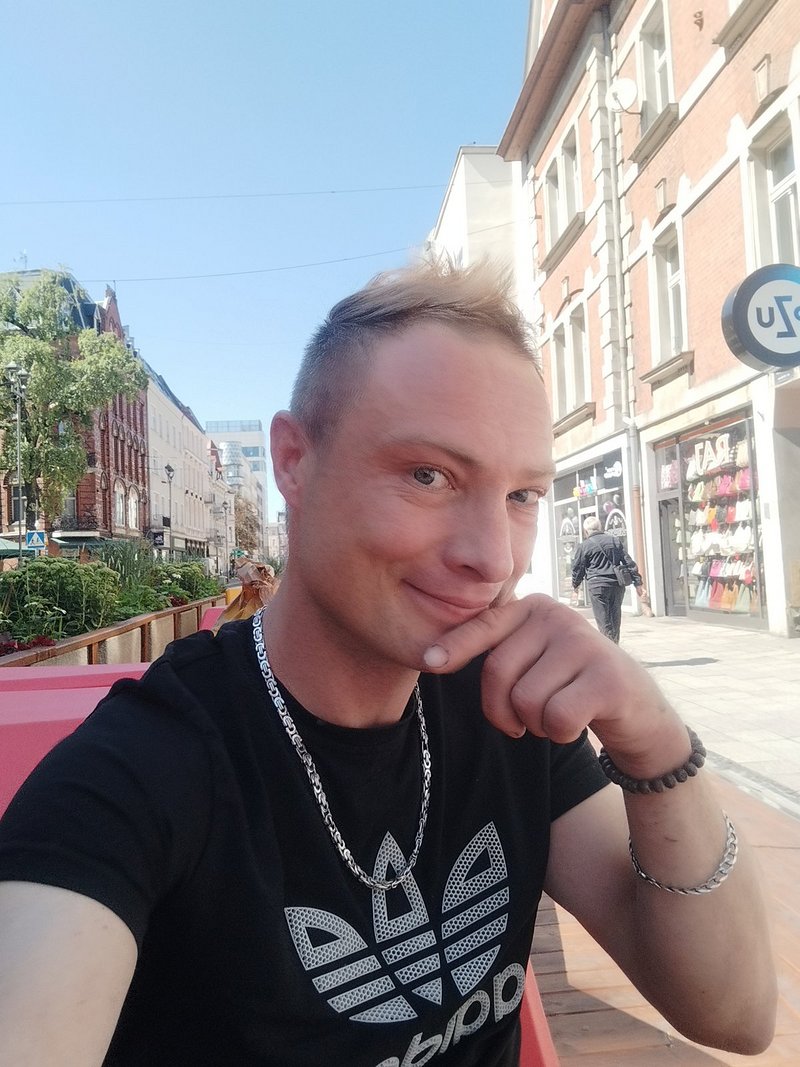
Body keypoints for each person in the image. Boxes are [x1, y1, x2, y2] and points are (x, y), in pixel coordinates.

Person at [0, 262, 776, 1066]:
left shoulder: (506, 706)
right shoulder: (146, 767)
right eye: (428, 475)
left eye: (522, 496)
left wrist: (653, 739)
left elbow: (736, 1012)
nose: (492, 557)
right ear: (293, 461)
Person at [570, 516, 642, 643]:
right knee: (615, 619)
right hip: (616, 585)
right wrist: (638, 583)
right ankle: (615, 646)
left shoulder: (584, 546)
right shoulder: (614, 541)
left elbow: (578, 568)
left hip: (597, 586)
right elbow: (628, 562)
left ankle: (610, 649)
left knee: (603, 621)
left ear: (586, 531)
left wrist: (575, 585)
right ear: (600, 527)